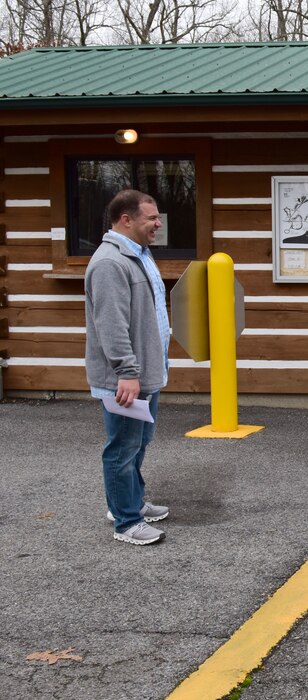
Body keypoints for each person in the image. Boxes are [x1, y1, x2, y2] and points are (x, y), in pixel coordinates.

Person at [85, 190, 172, 545]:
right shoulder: (110, 263)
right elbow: (111, 325)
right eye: (151, 218)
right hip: (126, 378)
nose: (158, 223)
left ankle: (129, 500)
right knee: (122, 447)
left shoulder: (138, 255)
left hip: (144, 371)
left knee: (138, 442)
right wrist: (126, 372)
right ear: (126, 219)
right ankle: (126, 521)